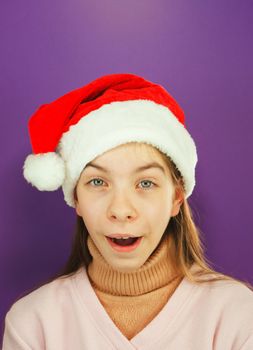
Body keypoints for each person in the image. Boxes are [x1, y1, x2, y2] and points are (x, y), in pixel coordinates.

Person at [2, 73, 253, 349]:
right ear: (76, 199)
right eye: (97, 182)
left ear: (176, 198)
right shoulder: (33, 324)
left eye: (145, 183)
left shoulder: (239, 318)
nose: (121, 210)